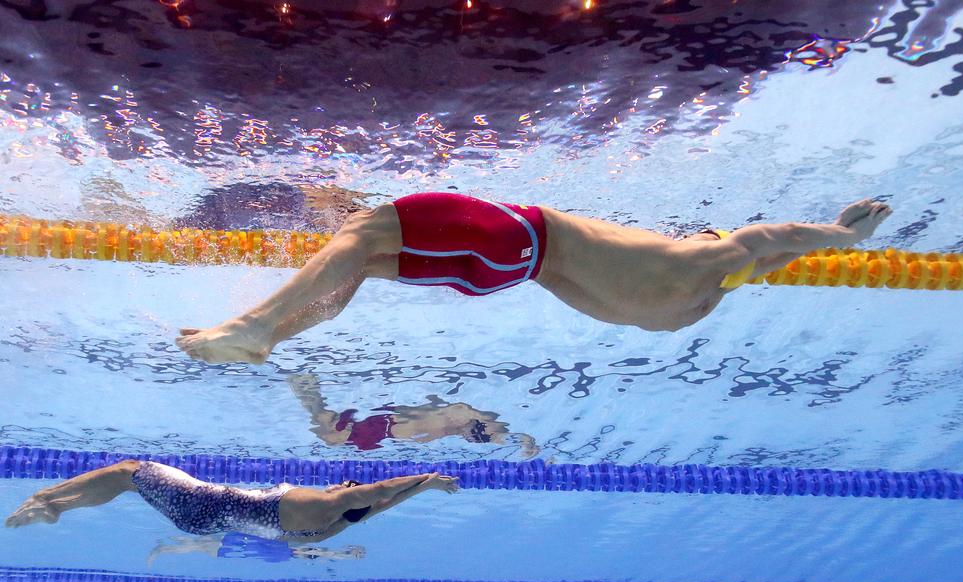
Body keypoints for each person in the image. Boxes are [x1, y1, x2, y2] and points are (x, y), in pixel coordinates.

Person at [175, 194, 893, 364]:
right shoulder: (670, 313)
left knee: (363, 227)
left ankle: (257, 324)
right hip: (503, 275)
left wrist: (844, 234)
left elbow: (772, 240)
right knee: (361, 254)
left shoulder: (702, 259)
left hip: (517, 237)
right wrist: (807, 249)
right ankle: (281, 332)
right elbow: (771, 259)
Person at [5, 460, 458, 543]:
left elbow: (377, 493)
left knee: (129, 470)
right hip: (200, 524)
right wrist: (428, 489)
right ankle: (54, 507)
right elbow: (378, 508)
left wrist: (428, 475)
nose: (342, 484)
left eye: (347, 485)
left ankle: (50, 500)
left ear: (345, 495)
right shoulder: (330, 527)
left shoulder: (325, 503)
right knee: (129, 484)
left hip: (204, 501)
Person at [289, 374, 540, 457]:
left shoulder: (461, 427)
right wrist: (522, 440)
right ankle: (305, 386)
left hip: (386, 433)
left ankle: (307, 391)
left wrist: (522, 441)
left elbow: (499, 435)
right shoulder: (460, 413)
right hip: (383, 426)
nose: (469, 438)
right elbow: (497, 430)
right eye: (475, 435)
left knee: (329, 434)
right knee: (329, 433)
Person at [146, 531, 366, 566]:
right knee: (196, 546)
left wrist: (346, 554)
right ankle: (161, 548)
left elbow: (325, 554)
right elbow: (326, 553)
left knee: (196, 545)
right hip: (238, 546)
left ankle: (163, 546)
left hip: (238, 546)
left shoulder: (290, 550)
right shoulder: (290, 549)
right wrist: (346, 553)